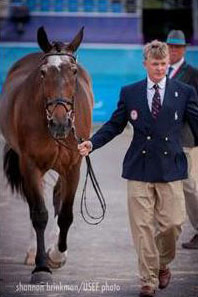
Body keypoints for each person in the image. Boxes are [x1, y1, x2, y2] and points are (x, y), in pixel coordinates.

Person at [78, 40, 198, 297]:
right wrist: (92, 142)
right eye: (155, 64)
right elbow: (114, 124)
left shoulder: (184, 92)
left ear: (168, 64)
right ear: (145, 64)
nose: (159, 68)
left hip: (171, 169)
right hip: (139, 169)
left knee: (173, 224)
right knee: (142, 228)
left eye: (163, 64)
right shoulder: (130, 92)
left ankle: (162, 263)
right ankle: (148, 280)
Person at [166, 29, 198, 249]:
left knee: (188, 186)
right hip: (162, 140)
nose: (173, 50)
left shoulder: (193, 75)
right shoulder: (161, 71)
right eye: (171, 46)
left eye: (177, 47)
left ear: (184, 49)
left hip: (184, 138)